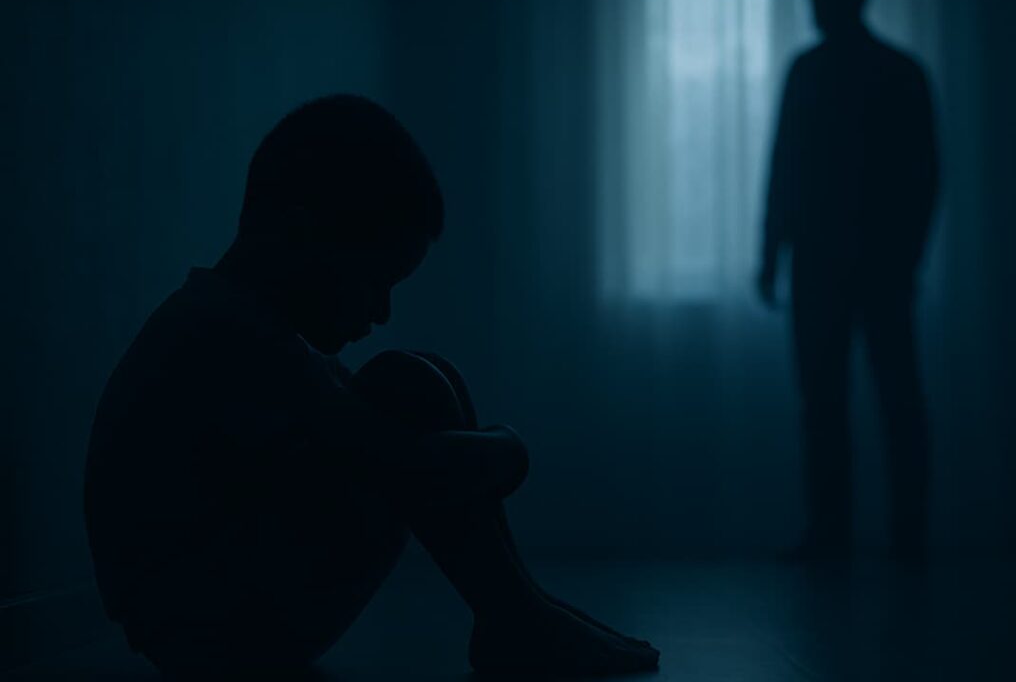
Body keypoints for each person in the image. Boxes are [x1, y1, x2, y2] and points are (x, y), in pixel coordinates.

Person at [84, 95, 660, 677]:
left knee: (418, 380)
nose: (382, 311)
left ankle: (517, 614)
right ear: (304, 233)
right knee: (406, 386)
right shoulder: (228, 336)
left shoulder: (239, 326)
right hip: (211, 633)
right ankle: (518, 616)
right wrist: (511, 448)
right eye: (375, 279)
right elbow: (407, 464)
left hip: (208, 620)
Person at [758, 0, 939, 560]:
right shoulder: (898, 71)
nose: (810, 2)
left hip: (832, 263)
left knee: (837, 403)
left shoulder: (815, 72)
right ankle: (893, 535)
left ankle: (840, 534)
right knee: (883, 402)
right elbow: (925, 177)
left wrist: (771, 252)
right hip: (868, 264)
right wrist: (908, 255)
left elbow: (786, 168)